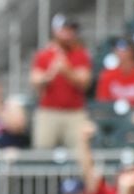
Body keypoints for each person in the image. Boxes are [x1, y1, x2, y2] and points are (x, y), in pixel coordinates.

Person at [28, 14, 91, 149]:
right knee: (42, 151)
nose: (69, 34)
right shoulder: (44, 55)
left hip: (74, 112)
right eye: (65, 29)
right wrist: (50, 73)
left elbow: (84, 82)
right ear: (56, 31)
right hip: (49, 111)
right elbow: (35, 81)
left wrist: (67, 70)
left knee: (80, 152)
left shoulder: (80, 54)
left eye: (72, 30)